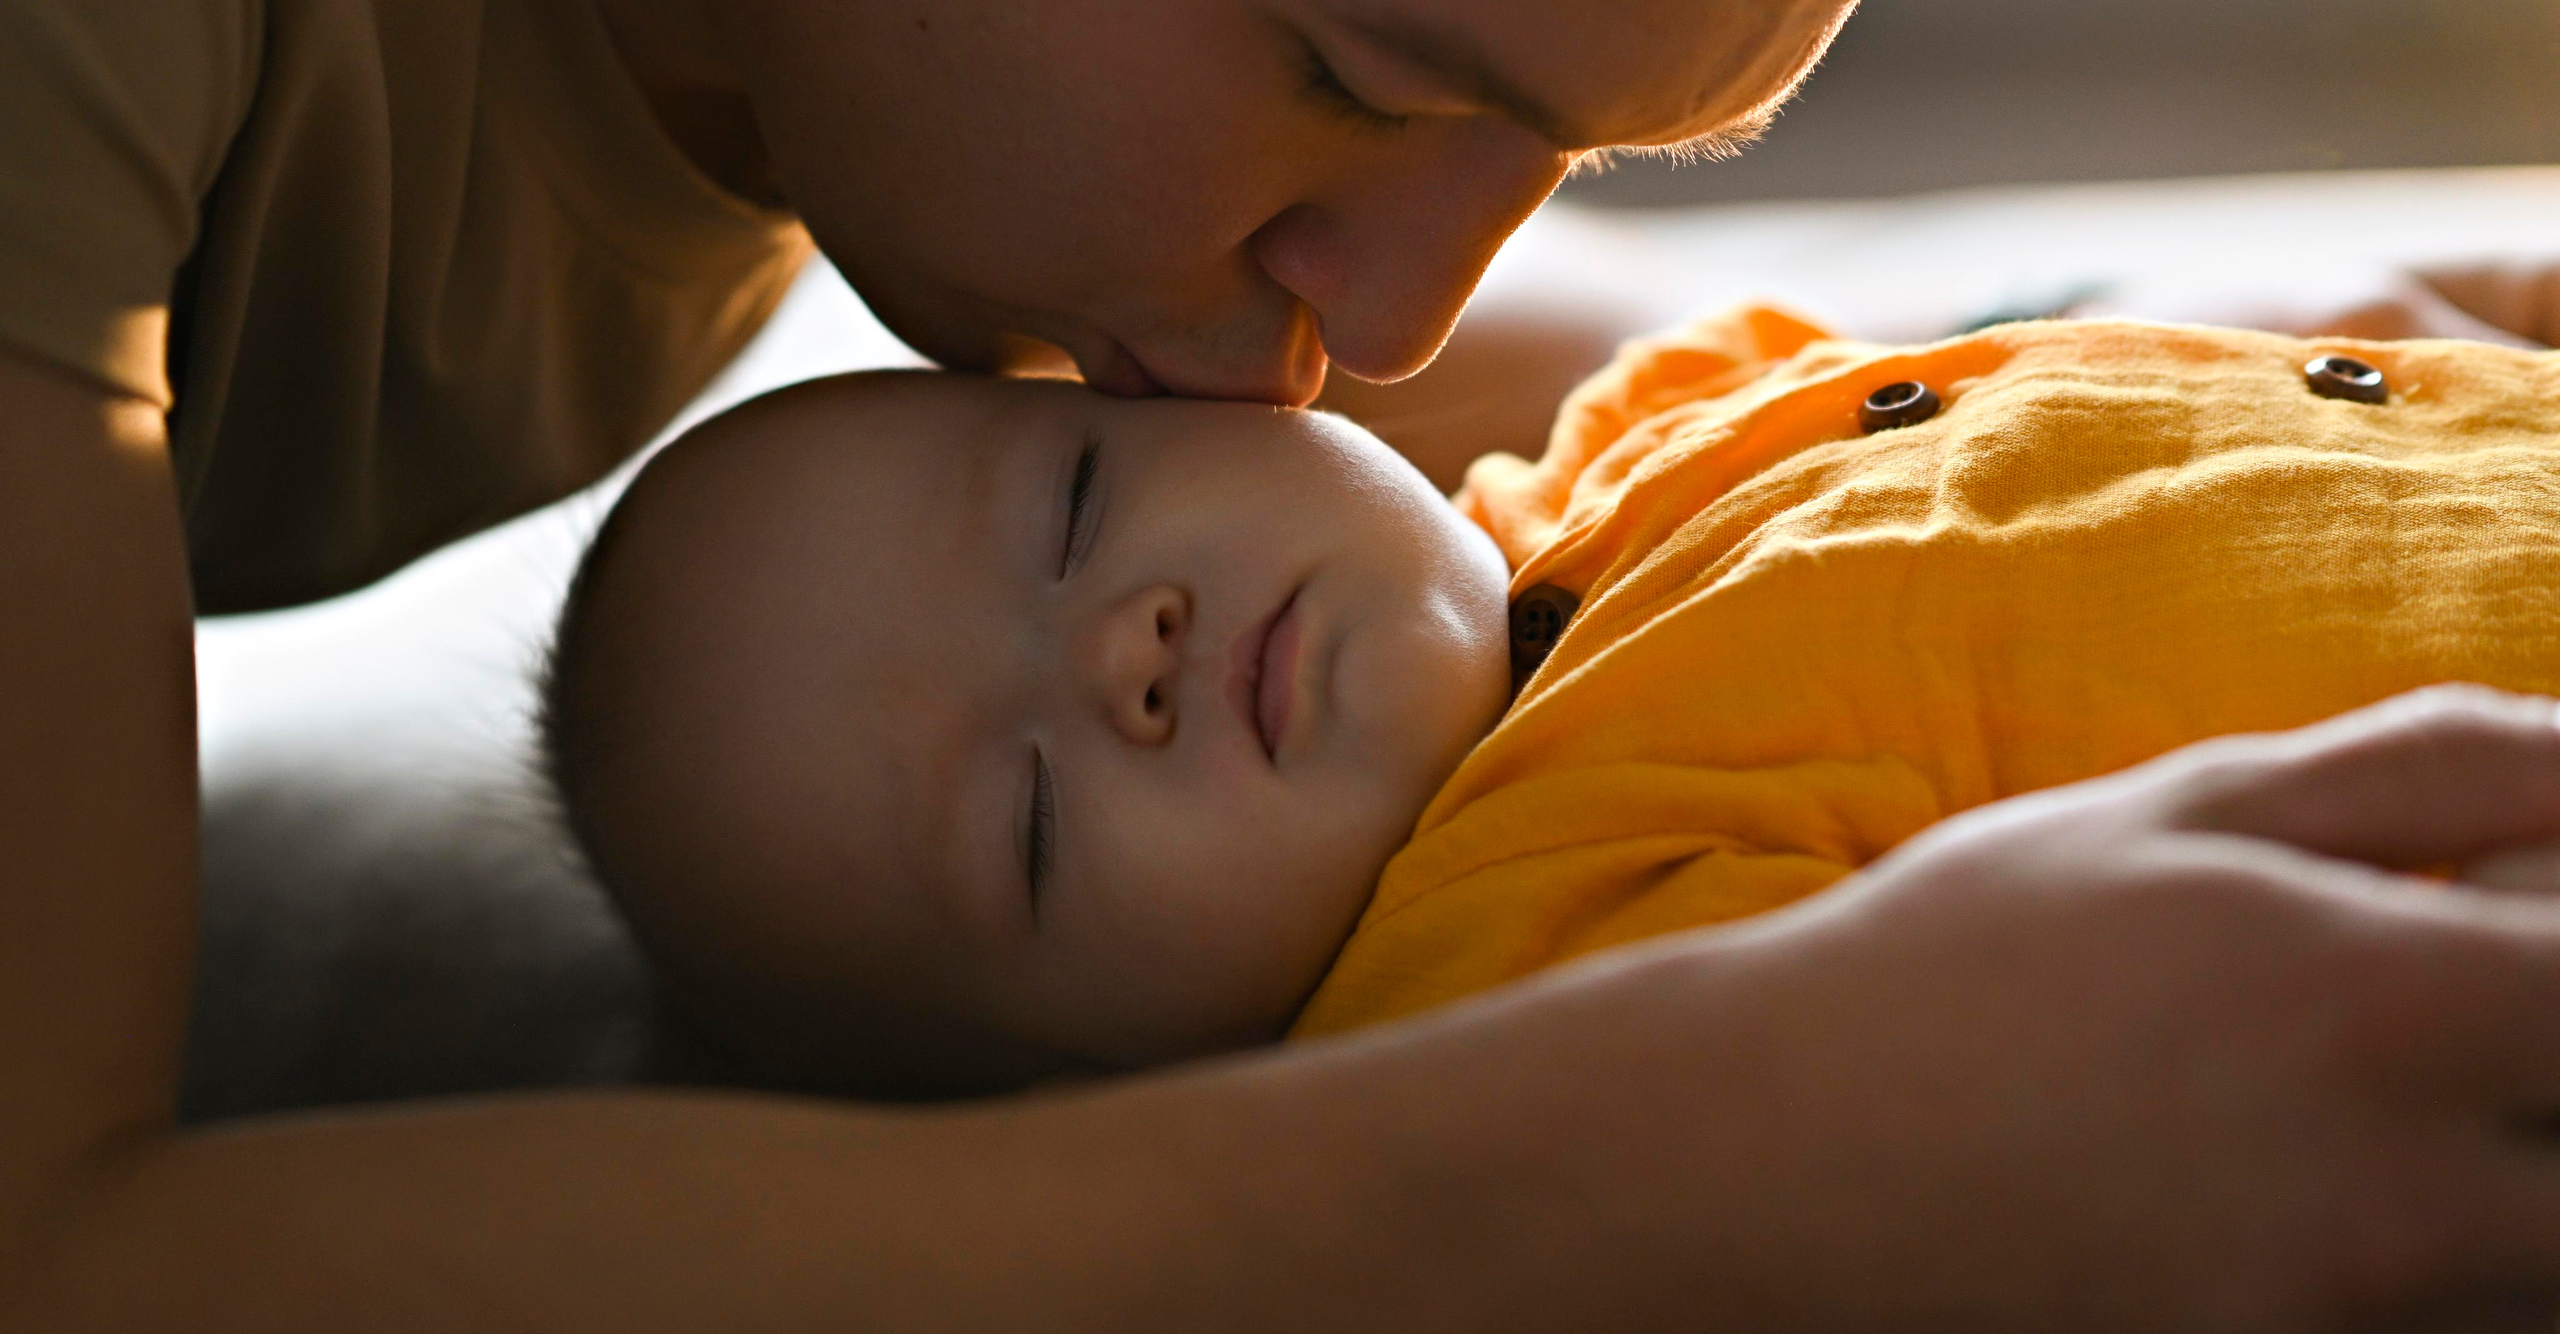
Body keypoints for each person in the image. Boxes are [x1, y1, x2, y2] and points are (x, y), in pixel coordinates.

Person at [15, 0, 2560, 1325]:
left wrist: (2218, 343)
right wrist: (1691, 1146)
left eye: (1572, 142)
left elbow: (1584, 427)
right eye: (1351, 78)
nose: (1401, 324)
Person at [534, 305, 2560, 1093]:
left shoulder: (1645, 429)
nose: (1118, 652)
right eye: (1034, 825)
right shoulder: (1535, 987)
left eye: (1074, 502)